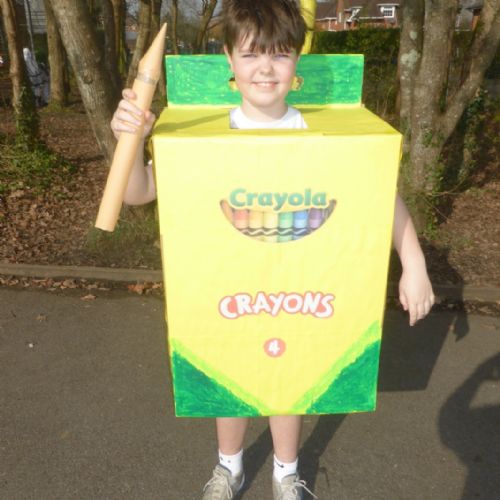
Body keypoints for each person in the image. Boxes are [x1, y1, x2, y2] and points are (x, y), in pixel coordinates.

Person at [110, 1, 435, 498]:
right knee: (230, 372)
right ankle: (229, 467)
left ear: (297, 59)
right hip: (231, 291)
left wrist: (414, 263)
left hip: (301, 290)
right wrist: (131, 141)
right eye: (250, 54)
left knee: (292, 374)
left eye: (280, 54)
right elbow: (137, 192)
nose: (265, 68)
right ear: (229, 60)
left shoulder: (327, 139)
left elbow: (380, 192)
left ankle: (287, 472)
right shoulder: (201, 139)